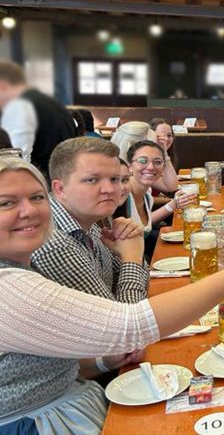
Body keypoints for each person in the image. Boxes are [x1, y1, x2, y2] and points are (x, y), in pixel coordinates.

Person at [0, 156, 224, 433]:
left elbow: (65, 354)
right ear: (60, 189)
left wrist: (102, 362)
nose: (29, 211)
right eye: (6, 203)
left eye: (37, 197)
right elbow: (129, 326)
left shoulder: (85, 233)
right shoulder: (11, 284)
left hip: (73, 399)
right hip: (37, 423)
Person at [31, 137, 149, 304]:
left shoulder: (87, 222)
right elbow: (123, 324)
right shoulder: (54, 243)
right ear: (60, 189)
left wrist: (131, 254)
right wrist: (132, 258)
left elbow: (140, 286)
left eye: (114, 179)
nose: (109, 189)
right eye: (92, 180)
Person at [0, 60, 76, 176]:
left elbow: (15, 162)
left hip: (40, 184)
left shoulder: (19, 106)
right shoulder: (54, 105)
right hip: (61, 180)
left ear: (2, 85)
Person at [125, 140, 196, 238]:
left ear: (163, 168)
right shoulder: (122, 195)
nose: (150, 167)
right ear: (129, 166)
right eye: (142, 161)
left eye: (157, 162)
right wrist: (173, 204)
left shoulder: (146, 196)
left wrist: (174, 204)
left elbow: (144, 225)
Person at [111, 121, 177, 194]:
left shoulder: (139, 169)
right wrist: (169, 204)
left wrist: (163, 152)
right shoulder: (119, 175)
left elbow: (171, 186)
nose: (151, 167)